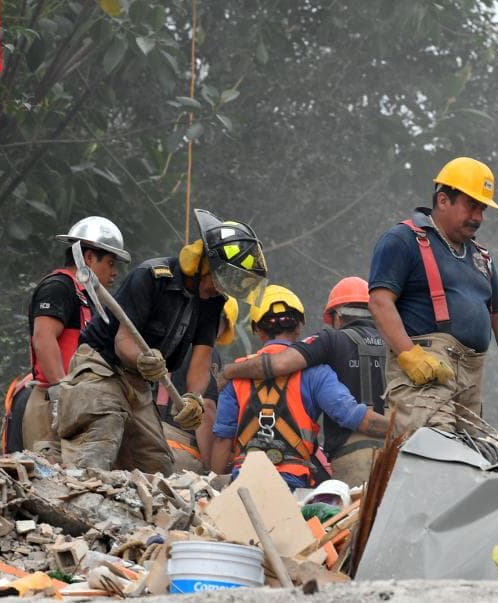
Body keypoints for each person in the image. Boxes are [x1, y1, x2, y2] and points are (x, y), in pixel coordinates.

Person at [55, 209, 268, 474]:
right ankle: (78, 486)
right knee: (102, 434)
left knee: (157, 464)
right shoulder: (152, 277)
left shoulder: (213, 303)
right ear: (202, 262)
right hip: (101, 367)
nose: (220, 288)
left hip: (139, 382)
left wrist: (194, 398)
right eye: (220, 278)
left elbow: (201, 360)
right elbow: (123, 342)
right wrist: (142, 358)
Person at [366, 156, 498, 435]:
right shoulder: (403, 240)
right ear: (443, 200)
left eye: (482, 209)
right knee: (435, 452)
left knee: (469, 460)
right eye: (471, 206)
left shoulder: (481, 257)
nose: (478, 217)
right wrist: (409, 354)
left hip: (471, 378)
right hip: (424, 376)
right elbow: (380, 302)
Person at [211, 285, 389, 490]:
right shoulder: (316, 372)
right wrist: (406, 429)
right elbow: (352, 416)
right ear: (299, 326)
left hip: (243, 479)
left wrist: (212, 484)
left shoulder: (235, 375)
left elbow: (223, 440)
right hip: (292, 481)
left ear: (256, 329)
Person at [0, 216, 130, 455]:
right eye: (110, 263)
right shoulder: (59, 287)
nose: (114, 272)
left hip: (78, 403)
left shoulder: (91, 298)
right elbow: (43, 338)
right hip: (52, 402)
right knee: (46, 473)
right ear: (88, 258)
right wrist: (62, 391)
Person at [157, 298, 238, 473]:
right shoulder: (205, 353)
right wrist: (213, 469)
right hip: (178, 454)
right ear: (221, 323)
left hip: (144, 446)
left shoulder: (164, 342)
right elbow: (205, 411)